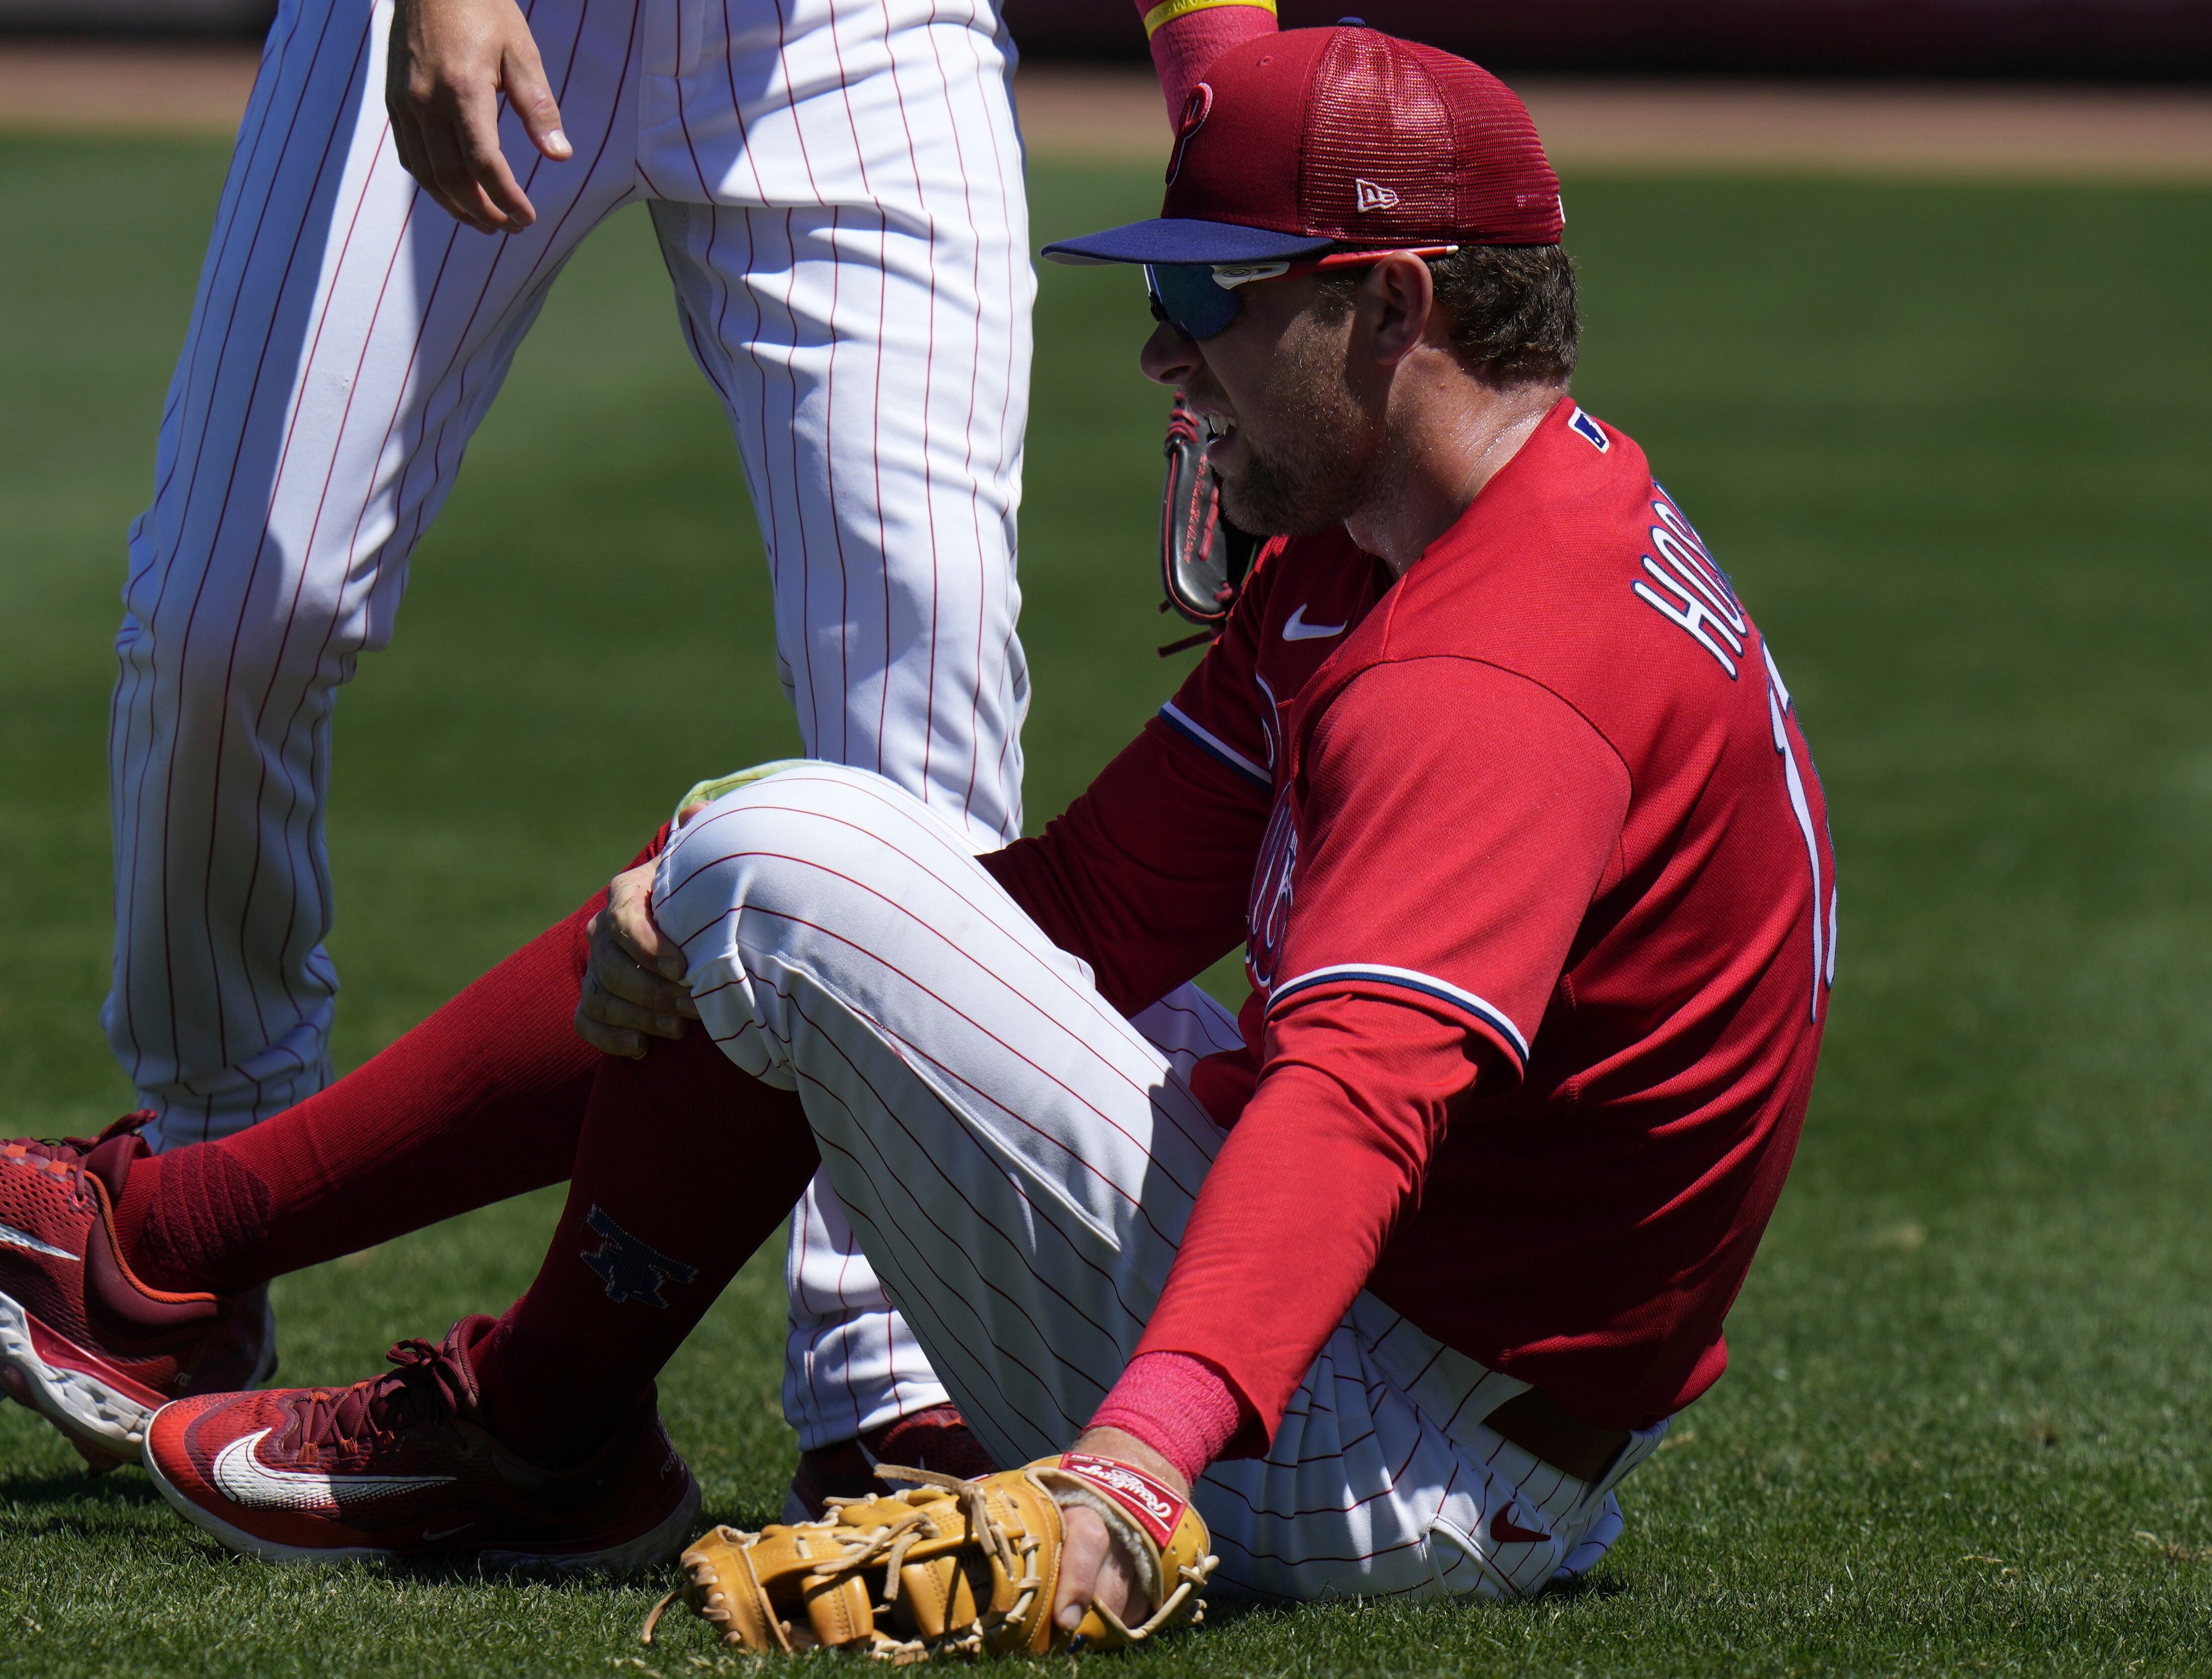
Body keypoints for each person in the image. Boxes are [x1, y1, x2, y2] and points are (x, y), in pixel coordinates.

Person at [0, 26, 1832, 1621]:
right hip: (1429, 1369)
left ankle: (511, 1422)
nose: (1162, 358)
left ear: (1396, 307)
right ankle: (253, 1268)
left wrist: (1132, 1472)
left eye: (1210, 299)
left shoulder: (1494, 676)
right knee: (805, 891)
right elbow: (1088, 912)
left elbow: (1359, 1106)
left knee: (789, 866)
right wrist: (756, 959)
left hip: (1382, 1451)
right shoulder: (1437, 531)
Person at [77, 0, 1276, 1510]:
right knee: (230, 614)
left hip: (858, 30)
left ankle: (887, 1365)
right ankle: (197, 1199)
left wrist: (1224, 78)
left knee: (931, 660)